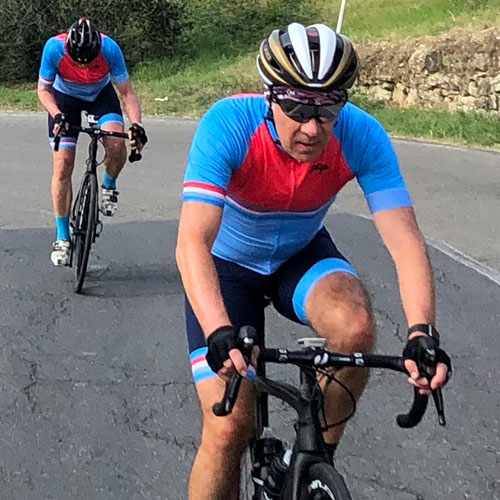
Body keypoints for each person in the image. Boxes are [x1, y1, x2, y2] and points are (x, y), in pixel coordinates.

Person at [176, 22, 452, 500]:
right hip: (227, 268)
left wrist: (421, 333)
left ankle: (308, 459)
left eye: (327, 111)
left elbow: (405, 241)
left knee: (355, 328)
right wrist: (219, 328)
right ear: (269, 97)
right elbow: (192, 243)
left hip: (299, 254)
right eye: (297, 107)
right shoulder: (228, 124)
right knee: (227, 428)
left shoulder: (362, 135)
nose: (310, 127)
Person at [37, 18, 148, 266]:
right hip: (64, 100)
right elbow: (43, 90)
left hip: (100, 96)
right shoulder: (54, 48)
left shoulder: (109, 49)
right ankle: (62, 237)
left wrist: (137, 125)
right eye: (78, 61)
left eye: (88, 60)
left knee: (117, 143)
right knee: (63, 165)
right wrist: (56, 115)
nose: (83, 65)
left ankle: (109, 185)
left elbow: (126, 92)